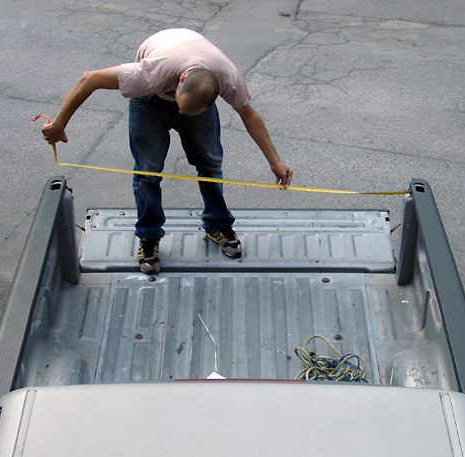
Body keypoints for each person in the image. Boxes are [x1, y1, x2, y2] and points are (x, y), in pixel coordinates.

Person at [41, 28, 293, 274]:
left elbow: (249, 116)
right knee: (148, 171)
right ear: (180, 80)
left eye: (186, 112)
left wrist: (275, 161)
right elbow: (89, 79)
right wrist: (59, 124)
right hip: (150, 99)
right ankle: (149, 238)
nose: (180, 114)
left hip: (193, 92)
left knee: (210, 164)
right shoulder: (150, 74)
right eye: (180, 107)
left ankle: (218, 224)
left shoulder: (228, 78)